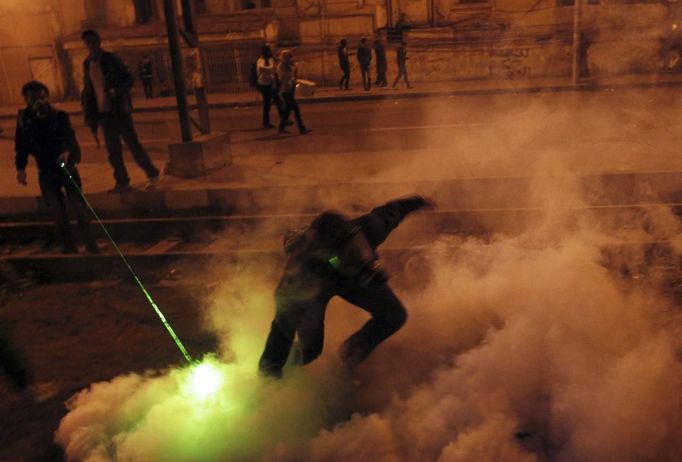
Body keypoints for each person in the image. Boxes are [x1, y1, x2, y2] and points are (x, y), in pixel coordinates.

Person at [258, 195, 433, 379]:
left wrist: (415, 202)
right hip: (315, 290)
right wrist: (269, 374)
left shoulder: (368, 230)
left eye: (355, 247)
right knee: (309, 350)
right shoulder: (298, 278)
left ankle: (351, 354)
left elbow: (390, 213)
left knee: (394, 315)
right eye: (347, 254)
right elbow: (281, 332)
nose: (355, 253)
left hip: (355, 278)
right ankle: (285, 374)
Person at [15, 81, 99, 255]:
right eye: (32, 99)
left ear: (47, 98)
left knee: (79, 206)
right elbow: (21, 145)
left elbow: (69, 136)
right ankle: (69, 246)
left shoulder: (59, 115)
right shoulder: (24, 119)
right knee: (57, 211)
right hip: (45, 169)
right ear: (26, 100)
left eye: (41, 98)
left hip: (64, 166)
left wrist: (68, 152)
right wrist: (21, 169)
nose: (37, 102)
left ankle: (91, 244)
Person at [81, 29, 161, 194]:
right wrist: (91, 117)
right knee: (113, 151)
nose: (91, 45)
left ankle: (152, 173)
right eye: (87, 42)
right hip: (103, 114)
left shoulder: (111, 59)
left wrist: (116, 91)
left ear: (99, 41)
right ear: (85, 44)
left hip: (119, 111)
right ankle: (122, 182)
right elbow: (88, 91)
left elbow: (129, 79)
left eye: (93, 41)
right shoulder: (87, 63)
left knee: (132, 145)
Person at [277, 49, 311, 135]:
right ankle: (301, 128)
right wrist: (292, 72)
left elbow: (294, 77)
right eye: (289, 57)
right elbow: (283, 78)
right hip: (285, 91)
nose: (292, 58)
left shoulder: (291, 66)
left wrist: (294, 70)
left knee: (287, 111)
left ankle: (281, 128)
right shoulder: (281, 66)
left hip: (290, 90)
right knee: (296, 109)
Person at [256, 46, 285, 129]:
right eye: (268, 51)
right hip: (264, 85)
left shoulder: (271, 59)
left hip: (270, 84)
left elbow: (277, 62)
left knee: (275, 102)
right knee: (272, 103)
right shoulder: (261, 60)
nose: (270, 53)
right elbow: (261, 69)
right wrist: (271, 68)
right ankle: (269, 122)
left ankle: (268, 122)